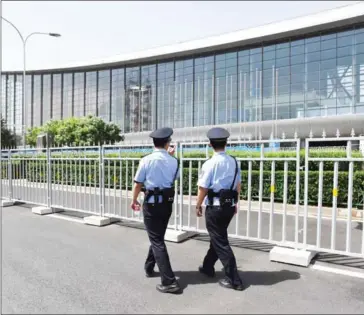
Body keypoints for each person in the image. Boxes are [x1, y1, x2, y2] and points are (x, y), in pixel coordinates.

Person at [130, 127, 181, 294]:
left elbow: (138, 183)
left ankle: (169, 281)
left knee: (157, 240)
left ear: (154, 142)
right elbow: (175, 177)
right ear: (168, 143)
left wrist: (134, 199)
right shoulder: (175, 161)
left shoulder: (146, 160)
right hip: (167, 203)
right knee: (157, 236)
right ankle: (149, 267)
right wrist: (170, 157)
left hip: (151, 203)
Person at [195, 127, 245, 291]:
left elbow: (203, 188)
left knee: (220, 241)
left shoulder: (209, 163)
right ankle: (208, 266)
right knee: (218, 237)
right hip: (229, 206)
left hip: (215, 207)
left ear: (210, 144)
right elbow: (238, 185)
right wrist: (235, 203)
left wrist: (198, 204)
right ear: (226, 143)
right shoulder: (234, 161)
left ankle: (234, 279)